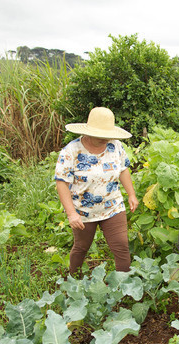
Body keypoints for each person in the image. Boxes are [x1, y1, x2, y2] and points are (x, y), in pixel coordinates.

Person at [54, 107, 139, 276]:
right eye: (101, 136)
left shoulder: (116, 146)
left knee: (121, 246)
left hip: (112, 205)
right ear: (89, 132)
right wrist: (71, 214)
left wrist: (131, 194)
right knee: (81, 247)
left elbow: (123, 169)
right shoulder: (71, 151)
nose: (105, 139)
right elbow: (61, 182)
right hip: (83, 211)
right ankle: (73, 281)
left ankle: (124, 288)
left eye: (108, 135)